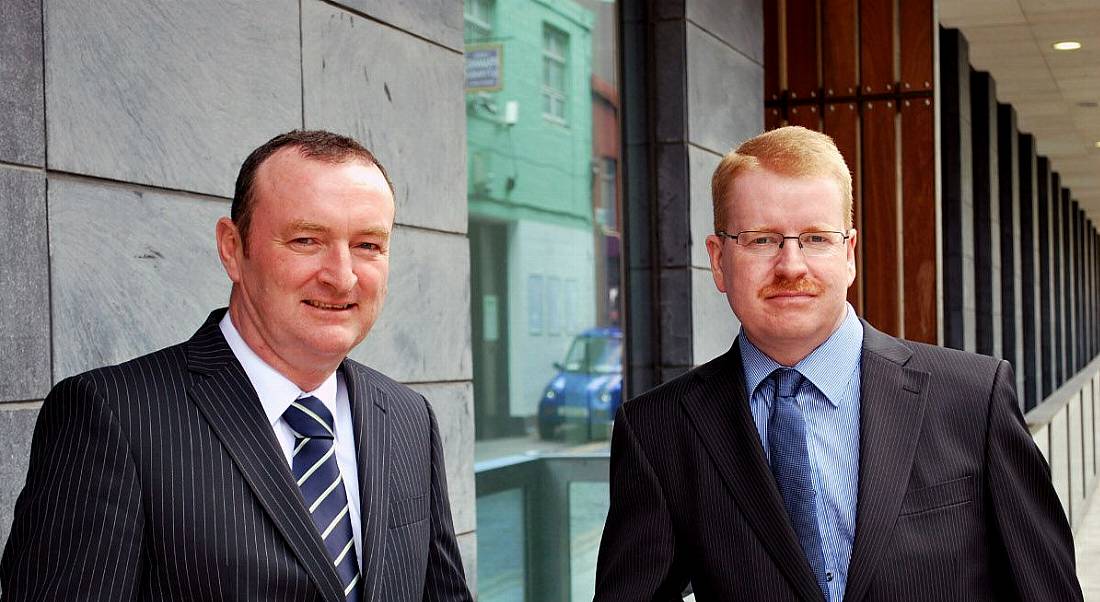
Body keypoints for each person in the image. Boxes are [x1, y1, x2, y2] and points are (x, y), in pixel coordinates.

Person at [593, 126, 1082, 601]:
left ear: (848, 254)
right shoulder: (657, 431)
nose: (791, 265)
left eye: (815, 238)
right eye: (762, 239)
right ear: (719, 261)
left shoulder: (974, 398)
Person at [0, 130, 473, 601]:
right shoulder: (113, 417)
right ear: (232, 248)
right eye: (307, 239)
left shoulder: (409, 417)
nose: (343, 276)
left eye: (368, 245)